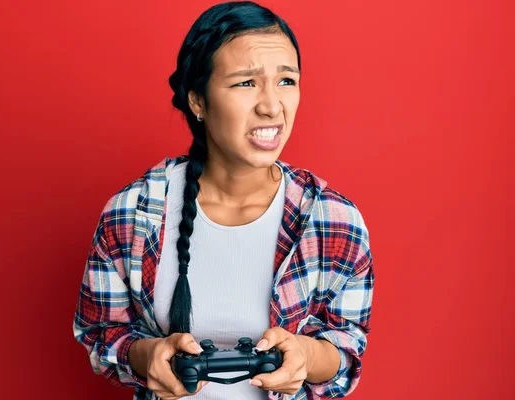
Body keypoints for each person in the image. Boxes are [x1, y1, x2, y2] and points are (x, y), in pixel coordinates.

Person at [73, 2, 374, 399]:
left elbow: (347, 348)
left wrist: (305, 355)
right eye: (245, 83)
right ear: (198, 100)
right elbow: (100, 334)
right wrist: (148, 355)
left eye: (286, 81)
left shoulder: (333, 220)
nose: (271, 106)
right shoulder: (131, 214)